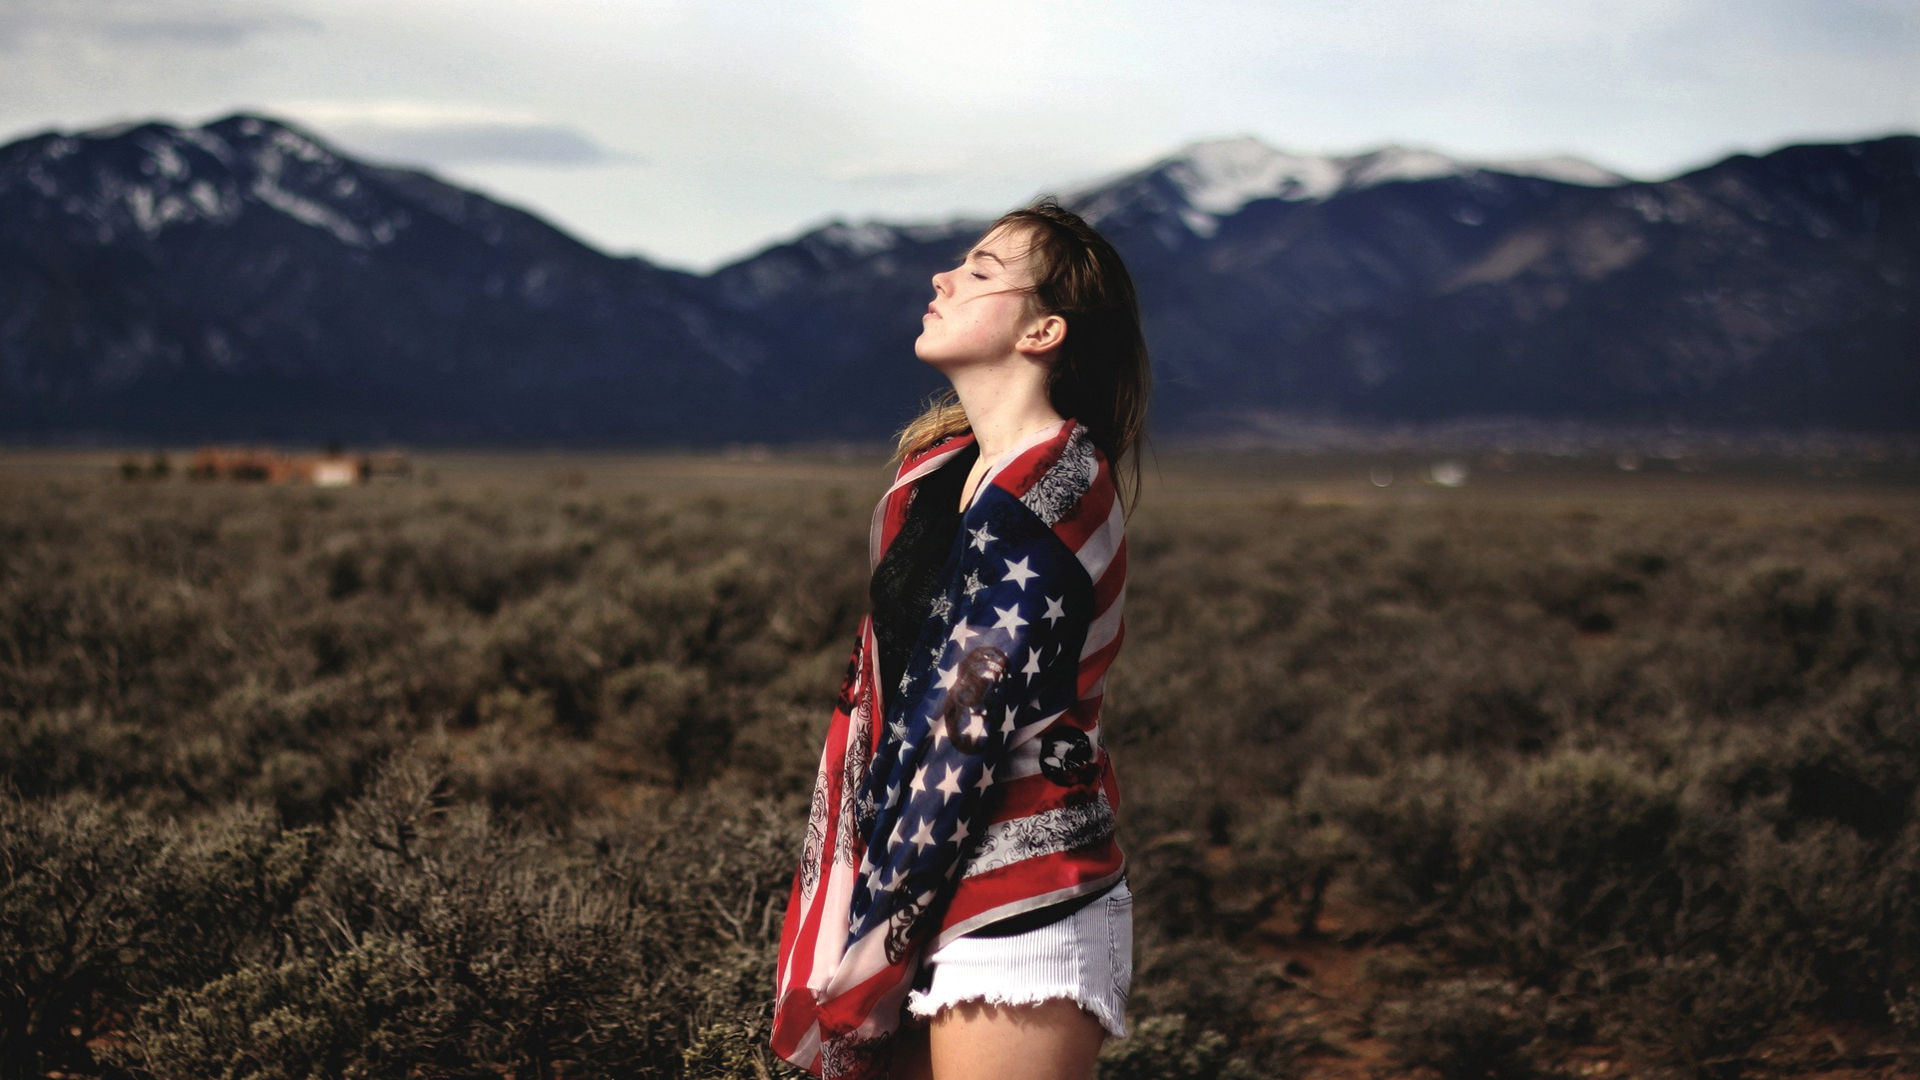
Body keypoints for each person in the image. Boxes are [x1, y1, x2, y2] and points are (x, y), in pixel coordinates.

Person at [771, 198, 1150, 1080]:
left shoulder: (1055, 489)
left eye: (979, 271)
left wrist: (878, 933)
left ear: (1042, 330)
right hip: (911, 874)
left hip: (1016, 899)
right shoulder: (938, 473)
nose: (941, 278)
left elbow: (959, 732)